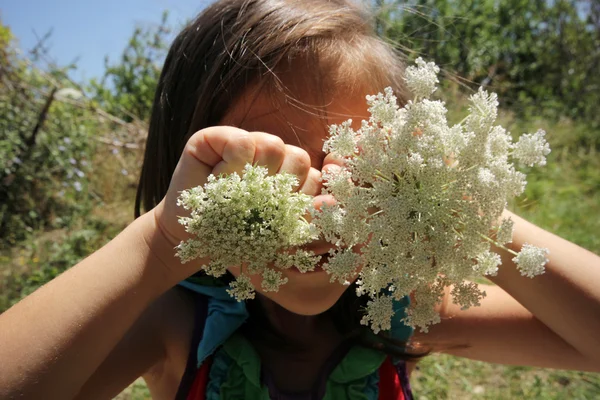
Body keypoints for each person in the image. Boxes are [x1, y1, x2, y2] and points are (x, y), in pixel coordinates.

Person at [1, 0, 599, 399]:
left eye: (363, 168)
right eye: (272, 164)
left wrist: (472, 211)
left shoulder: (403, 312)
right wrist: (159, 245)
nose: (322, 209)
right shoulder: (175, 322)